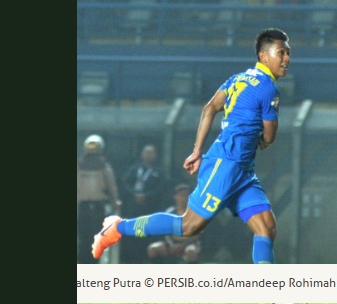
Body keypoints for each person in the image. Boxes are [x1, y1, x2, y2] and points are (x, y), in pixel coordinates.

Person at [91, 28, 292, 264]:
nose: (287, 58)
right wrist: (264, 140)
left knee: (266, 227)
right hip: (225, 165)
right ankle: (117, 228)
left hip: (242, 170)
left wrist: (197, 151)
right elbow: (270, 135)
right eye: (281, 52)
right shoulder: (268, 88)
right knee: (189, 226)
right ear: (263, 56)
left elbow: (210, 108)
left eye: (288, 53)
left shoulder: (238, 78)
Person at [118, 143, 167, 264]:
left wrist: (146, 196)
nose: (148, 155)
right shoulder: (134, 169)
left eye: (151, 152)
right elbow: (125, 183)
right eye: (146, 152)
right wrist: (135, 194)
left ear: (156, 155)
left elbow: (161, 188)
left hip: (150, 209)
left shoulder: (159, 172)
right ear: (142, 154)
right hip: (133, 209)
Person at [77, 134, 120, 263]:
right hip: (92, 206)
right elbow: (112, 188)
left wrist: (114, 202)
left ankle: (86, 262)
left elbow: (111, 188)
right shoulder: (104, 167)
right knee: (90, 237)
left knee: (87, 237)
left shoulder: (82, 166)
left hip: (91, 206)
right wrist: (115, 203)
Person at [147, 184, 202, 264]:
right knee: (153, 249)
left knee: (191, 251)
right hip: (172, 244)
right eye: (181, 195)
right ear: (175, 197)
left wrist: (182, 245)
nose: (184, 198)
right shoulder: (170, 212)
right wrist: (171, 245)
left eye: (186, 195)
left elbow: (196, 235)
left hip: (188, 244)